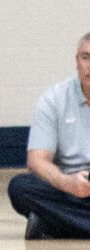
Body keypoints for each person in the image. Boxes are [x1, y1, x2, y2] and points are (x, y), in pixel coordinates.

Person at [8, 34, 90, 239]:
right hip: (68, 187)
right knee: (20, 187)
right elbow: (36, 161)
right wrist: (68, 183)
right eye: (86, 57)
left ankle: (53, 224)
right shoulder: (54, 99)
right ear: (76, 62)